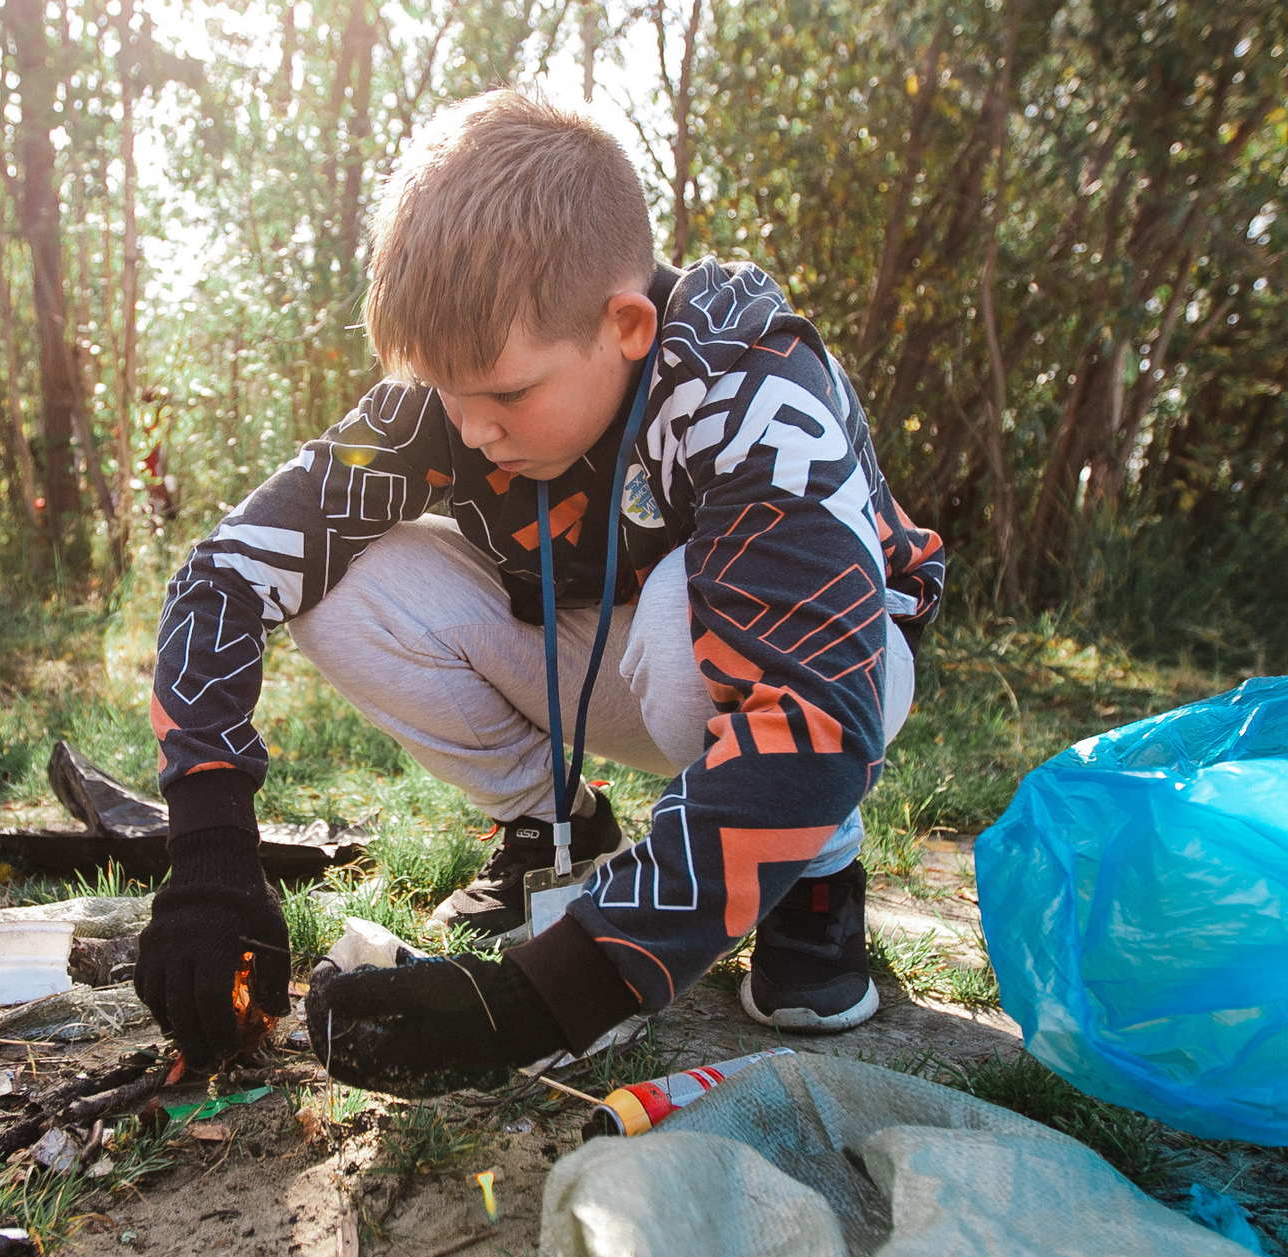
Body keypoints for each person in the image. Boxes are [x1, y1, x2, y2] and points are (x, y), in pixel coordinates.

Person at [132, 90, 945, 1095]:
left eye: (508, 393)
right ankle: (552, 829)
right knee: (336, 584)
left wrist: (542, 998)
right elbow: (225, 569)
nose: (470, 430)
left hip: (835, 670)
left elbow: (815, 709)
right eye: (444, 389)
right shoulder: (442, 404)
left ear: (626, 325)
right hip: (609, 650)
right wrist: (210, 852)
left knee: (690, 611)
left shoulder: (747, 384)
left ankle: (815, 877)